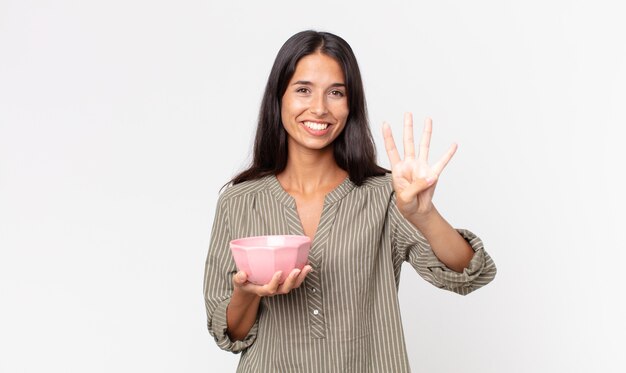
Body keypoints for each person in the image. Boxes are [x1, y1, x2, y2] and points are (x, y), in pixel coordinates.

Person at [203, 30, 496, 372]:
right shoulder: (239, 201)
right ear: (278, 98)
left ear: (351, 103)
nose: (319, 108)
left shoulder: (386, 194)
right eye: (303, 90)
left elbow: (469, 275)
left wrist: (425, 214)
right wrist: (249, 292)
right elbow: (229, 333)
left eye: (336, 93)